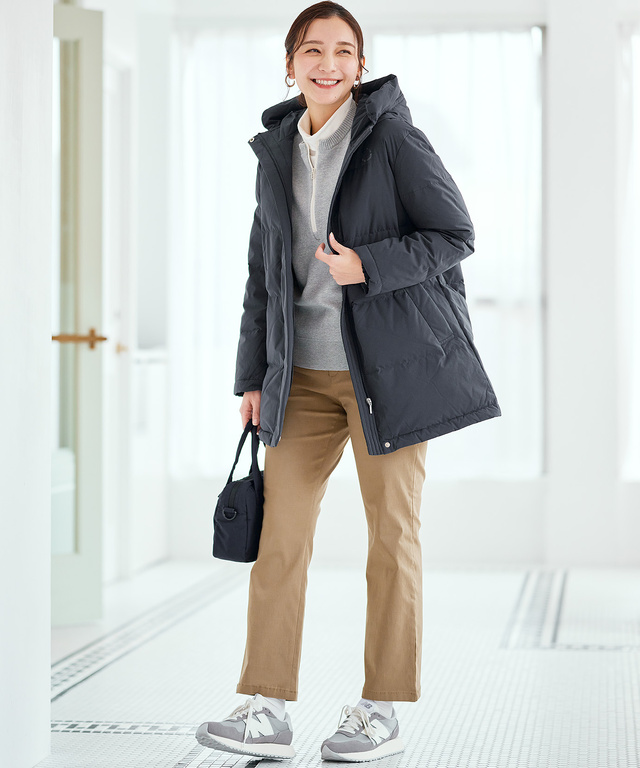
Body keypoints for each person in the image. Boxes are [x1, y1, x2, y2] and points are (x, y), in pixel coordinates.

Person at [196, 1, 500, 762]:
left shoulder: (392, 138)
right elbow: (263, 275)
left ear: (361, 65)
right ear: (289, 65)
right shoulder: (275, 150)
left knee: (391, 538)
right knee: (279, 537)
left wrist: (369, 266)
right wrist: (252, 375)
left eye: (342, 51)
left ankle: (380, 709)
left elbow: (455, 234)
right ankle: (265, 707)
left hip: (386, 377)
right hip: (299, 378)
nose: (327, 63)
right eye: (312, 49)